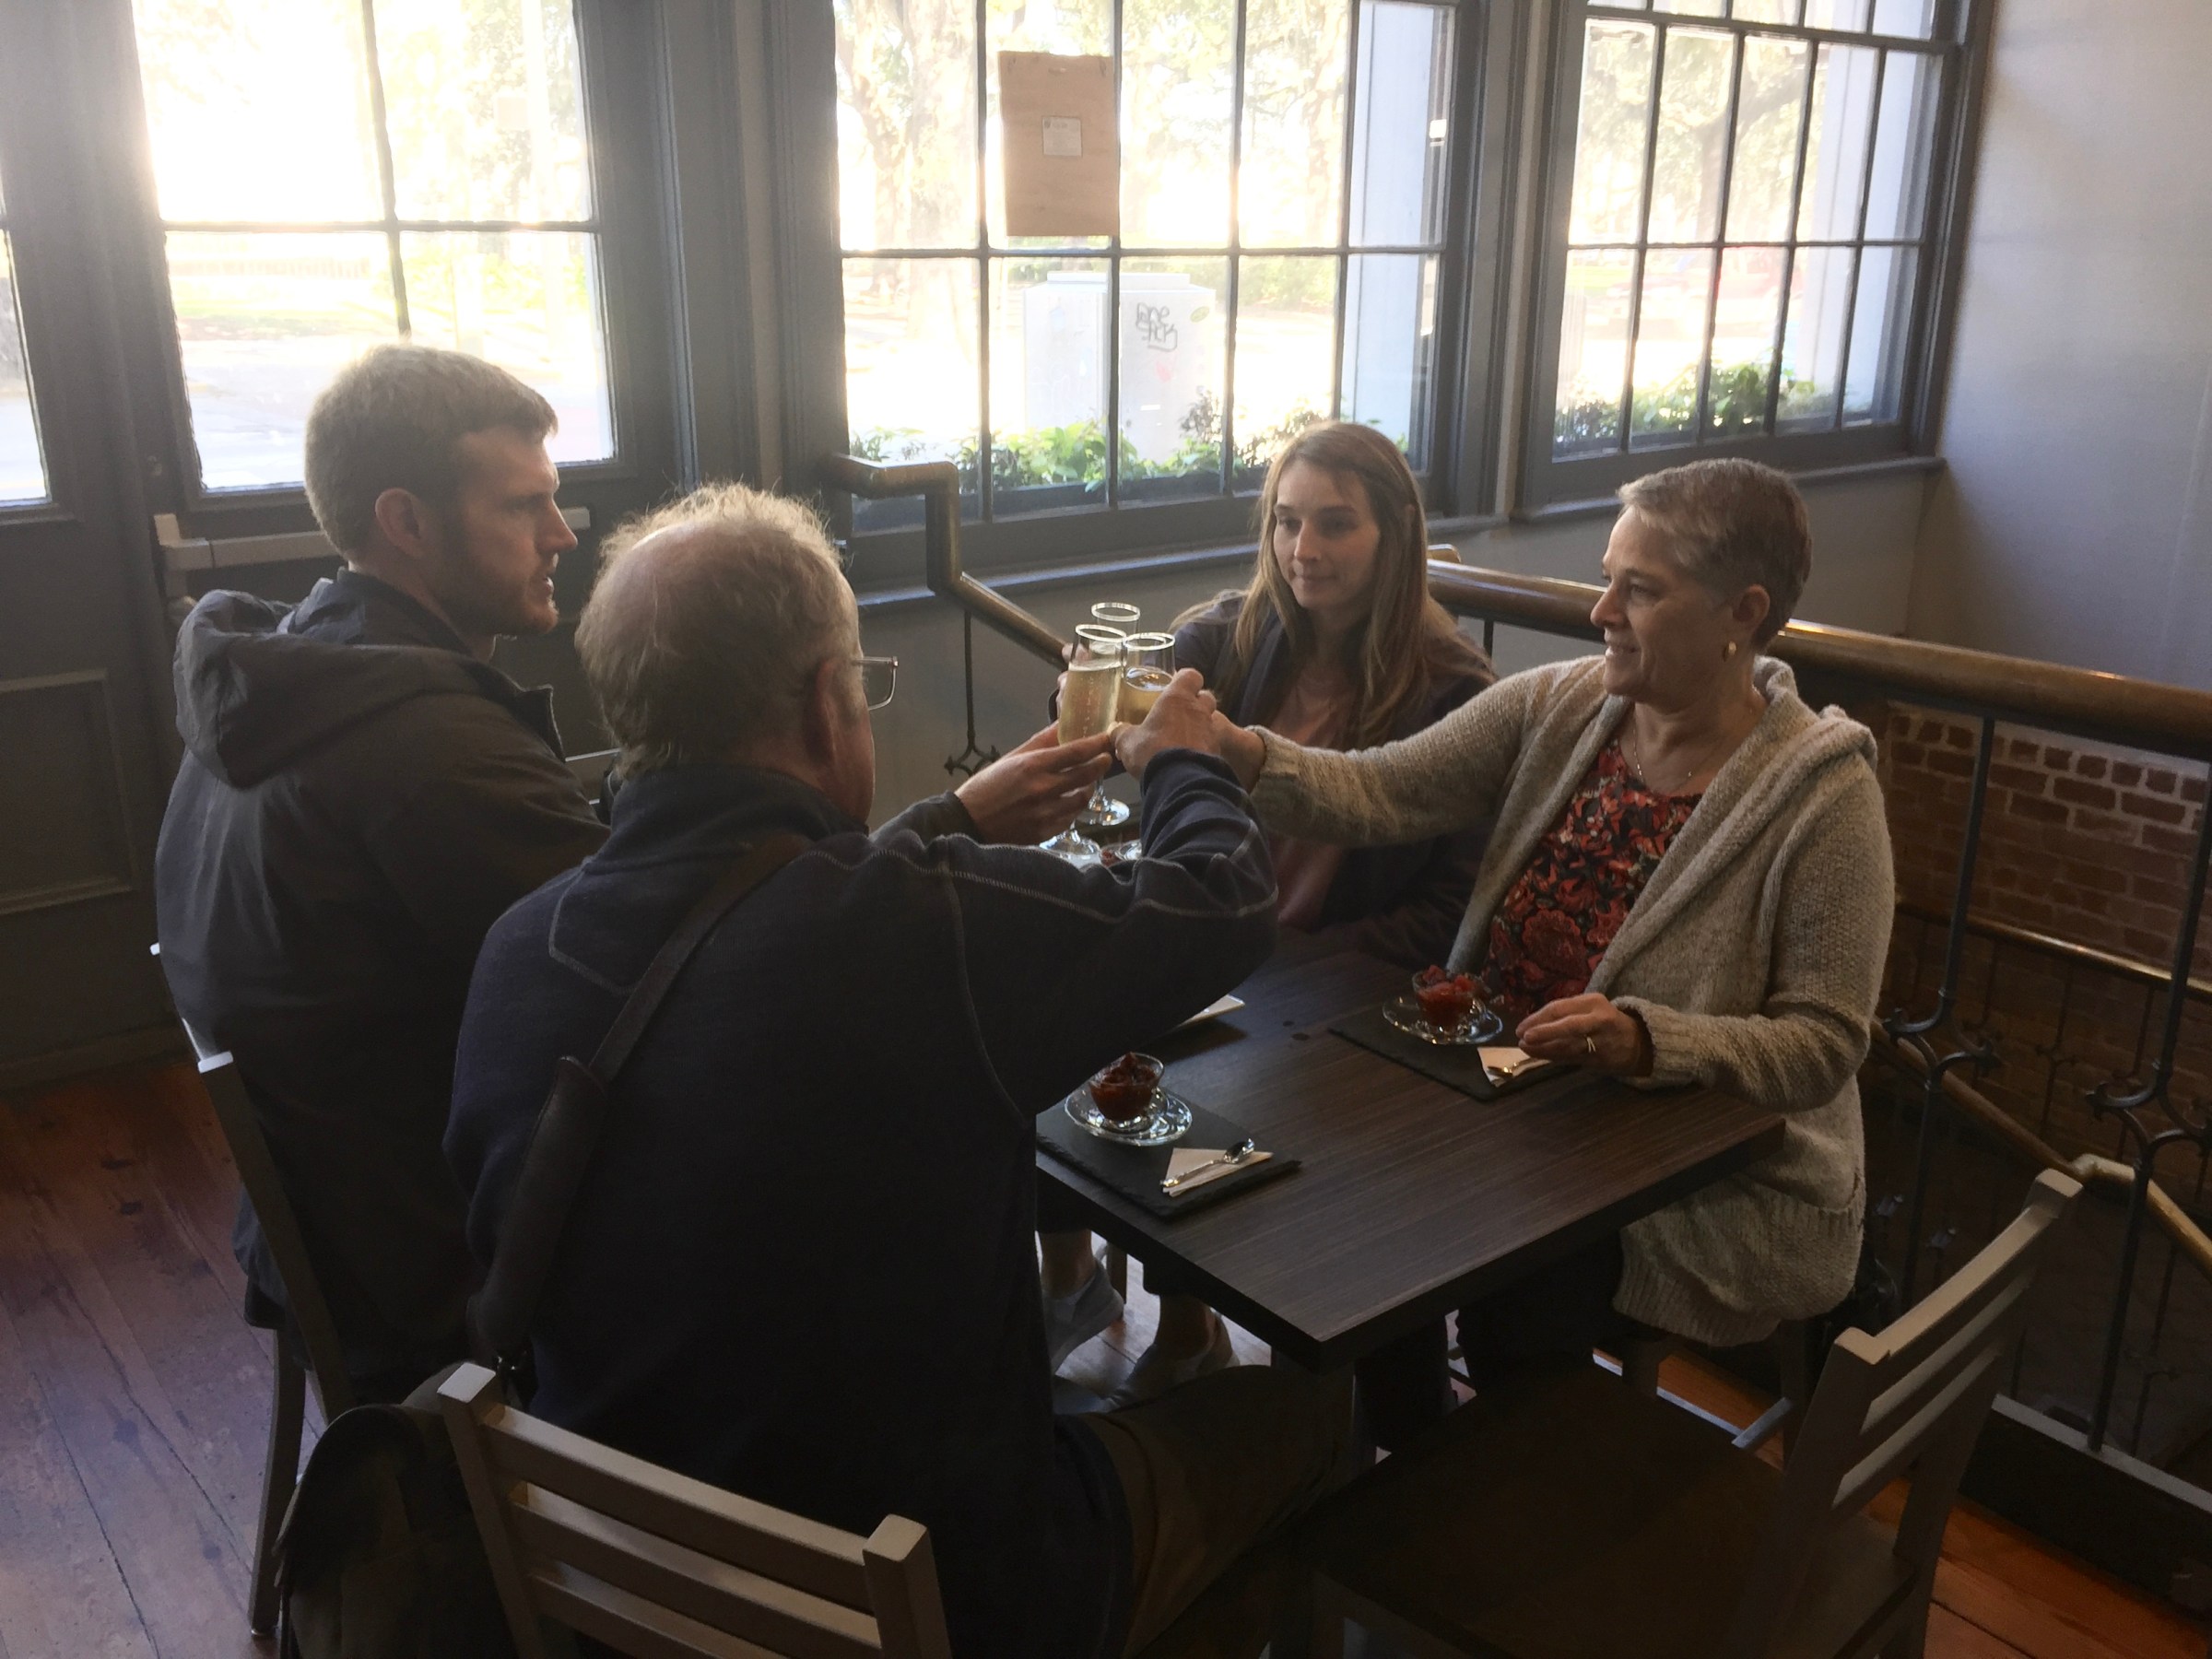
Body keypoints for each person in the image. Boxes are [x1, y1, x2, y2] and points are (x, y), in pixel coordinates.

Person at [445, 483, 1349, 1659]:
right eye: (864, 687)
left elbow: (748, 936)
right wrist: (1188, 766)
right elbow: (1223, 905)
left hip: (632, 1566)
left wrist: (945, 824)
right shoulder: (918, 938)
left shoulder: (517, 947)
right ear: (830, 705)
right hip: (939, 1596)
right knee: (1315, 1409)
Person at [1140, 456, 1892, 1437]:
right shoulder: (1566, 703)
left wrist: (1651, 1039)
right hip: (1499, 1097)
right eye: (1609, 577)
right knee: (1344, 1220)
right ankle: (1405, 1474)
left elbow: (1825, 1041)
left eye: (1641, 589)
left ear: (1742, 613)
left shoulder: (1824, 796)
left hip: (1692, 1171)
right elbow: (1385, 789)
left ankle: (1495, 1522)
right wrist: (1245, 754)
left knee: (1512, 1310)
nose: (1602, 611)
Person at [154, 344, 610, 1401]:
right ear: (404, 522)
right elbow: (665, 962)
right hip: (433, 1271)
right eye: (524, 506)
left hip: (329, 1231)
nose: (561, 535)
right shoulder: (422, 747)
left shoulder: (282, 680)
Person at [1040, 420, 1496, 1406]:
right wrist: (1088, 687)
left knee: (1176, 1052)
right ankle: (1136, 1302)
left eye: (1336, 525)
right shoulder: (1236, 637)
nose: (1304, 550)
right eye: (1288, 522)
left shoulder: (1457, 692)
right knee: (1056, 997)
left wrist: (1288, 957)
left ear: (1397, 536)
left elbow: (1453, 915)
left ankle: (1329, 1406)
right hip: (1236, 962)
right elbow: (1144, 695)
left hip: (1342, 987)